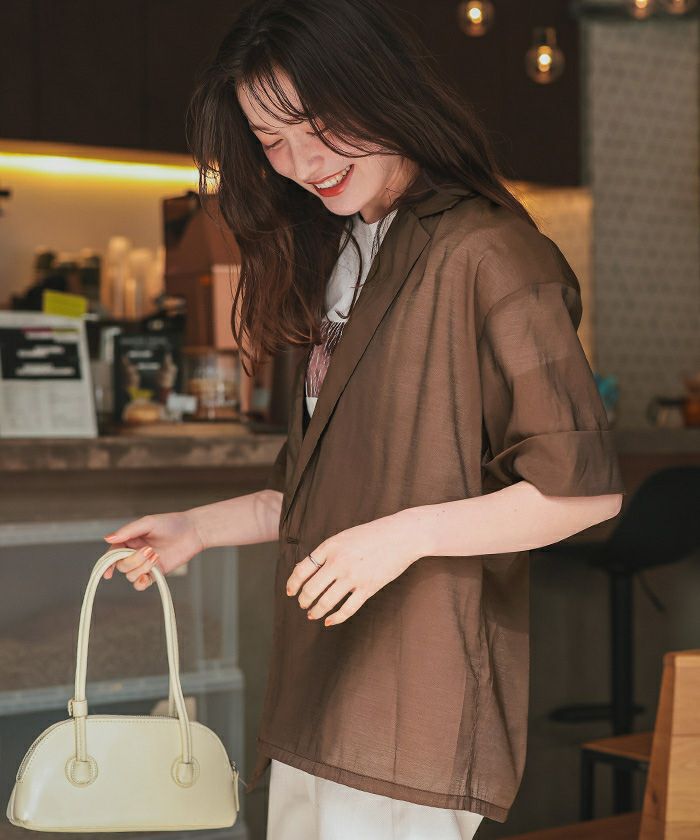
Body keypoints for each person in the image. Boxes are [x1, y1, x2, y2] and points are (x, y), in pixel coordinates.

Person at [101, 1, 625, 838]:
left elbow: (583, 493)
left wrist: (403, 536)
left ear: (378, 88)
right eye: (271, 141)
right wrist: (196, 529)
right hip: (321, 687)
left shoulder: (488, 252)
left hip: (416, 698)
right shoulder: (347, 254)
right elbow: (319, 496)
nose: (302, 163)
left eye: (316, 125)